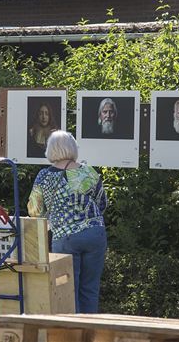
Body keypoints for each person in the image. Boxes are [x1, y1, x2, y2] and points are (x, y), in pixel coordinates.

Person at [27, 130, 107, 313]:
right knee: (90, 289)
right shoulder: (88, 172)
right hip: (95, 234)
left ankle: (74, 334)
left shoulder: (44, 176)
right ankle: (90, 334)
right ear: (73, 148)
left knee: (68, 290)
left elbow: (34, 211)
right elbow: (102, 203)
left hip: (65, 238)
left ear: (50, 150)